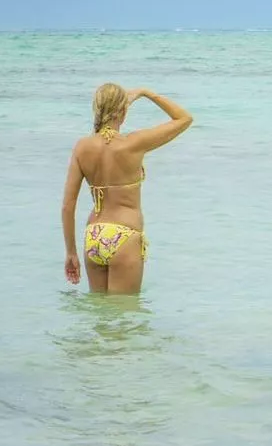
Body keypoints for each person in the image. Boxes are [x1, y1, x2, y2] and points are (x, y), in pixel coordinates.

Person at [61, 84, 194, 294]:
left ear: (97, 109)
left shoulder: (82, 147)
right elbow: (184, 118)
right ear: (123, 112)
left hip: (93, 236)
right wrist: (146, 93)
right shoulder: (134, 143)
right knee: (126, 318)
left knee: (102, 319)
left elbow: (68, 206)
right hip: (124, 236)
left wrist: (71, 252)